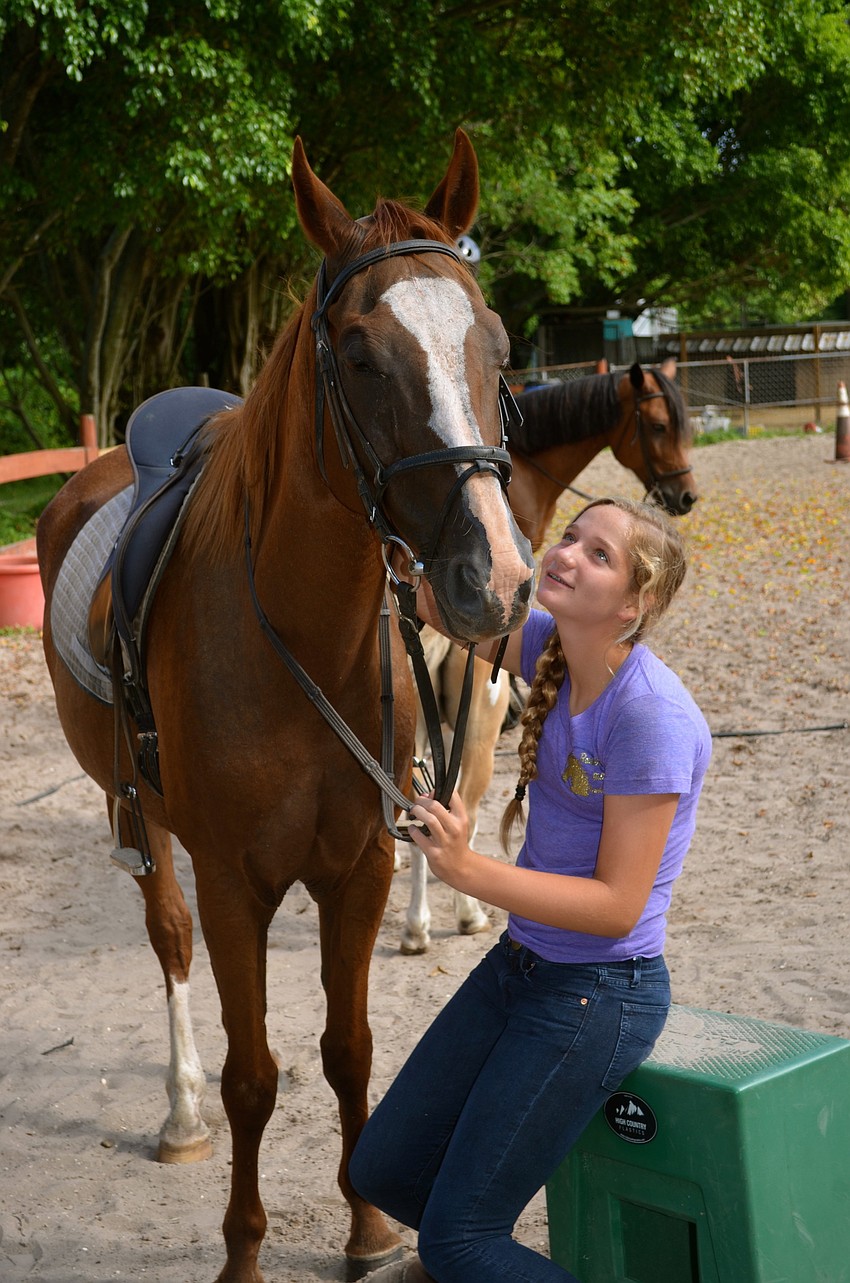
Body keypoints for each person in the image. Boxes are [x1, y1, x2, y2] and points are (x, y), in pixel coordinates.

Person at [351, 496, 712, 1283]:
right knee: (380, 1169)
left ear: (635, 603)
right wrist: (395, 530)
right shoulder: (550, 644)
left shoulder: (648, 716)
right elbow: (437, 601)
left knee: (458, 1241)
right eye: (572, 535)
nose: (569, 552)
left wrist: (466, 869)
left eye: (600, 553)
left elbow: (619, 905)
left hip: (599, 991)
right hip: (523, 969)